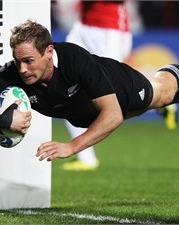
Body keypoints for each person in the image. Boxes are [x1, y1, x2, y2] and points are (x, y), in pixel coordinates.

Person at [0, 20, 179, 163]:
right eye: (17, 61)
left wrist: (71, 147)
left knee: (165, 91)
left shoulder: (73, 58)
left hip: (121, 89)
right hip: (88, 113)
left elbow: (113, 115)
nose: (22, 69)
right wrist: (0, 121)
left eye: (29, 61)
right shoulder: (10, 74)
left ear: (49, 52)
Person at [56, 0, 133, 171]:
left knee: (115, 89)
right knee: (64, 87)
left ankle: (159, 95)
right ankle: (87, 158)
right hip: (83, 25)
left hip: (109, 27)